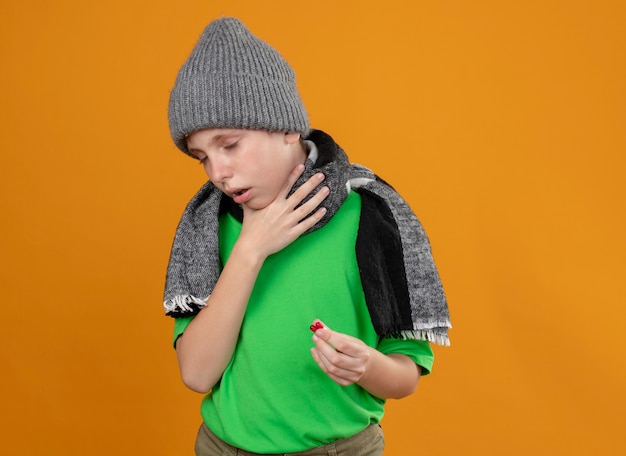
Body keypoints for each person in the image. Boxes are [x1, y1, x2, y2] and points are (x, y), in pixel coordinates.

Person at [163, 17, 451, 456]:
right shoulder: (208, 225)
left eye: (230, 144)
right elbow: (198, 375)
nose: (217, 172)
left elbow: (405, 376)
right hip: (222, 447)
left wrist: (367, 365)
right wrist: (251, 249)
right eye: (202, 156)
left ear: (286, 128)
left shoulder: (372, 216)